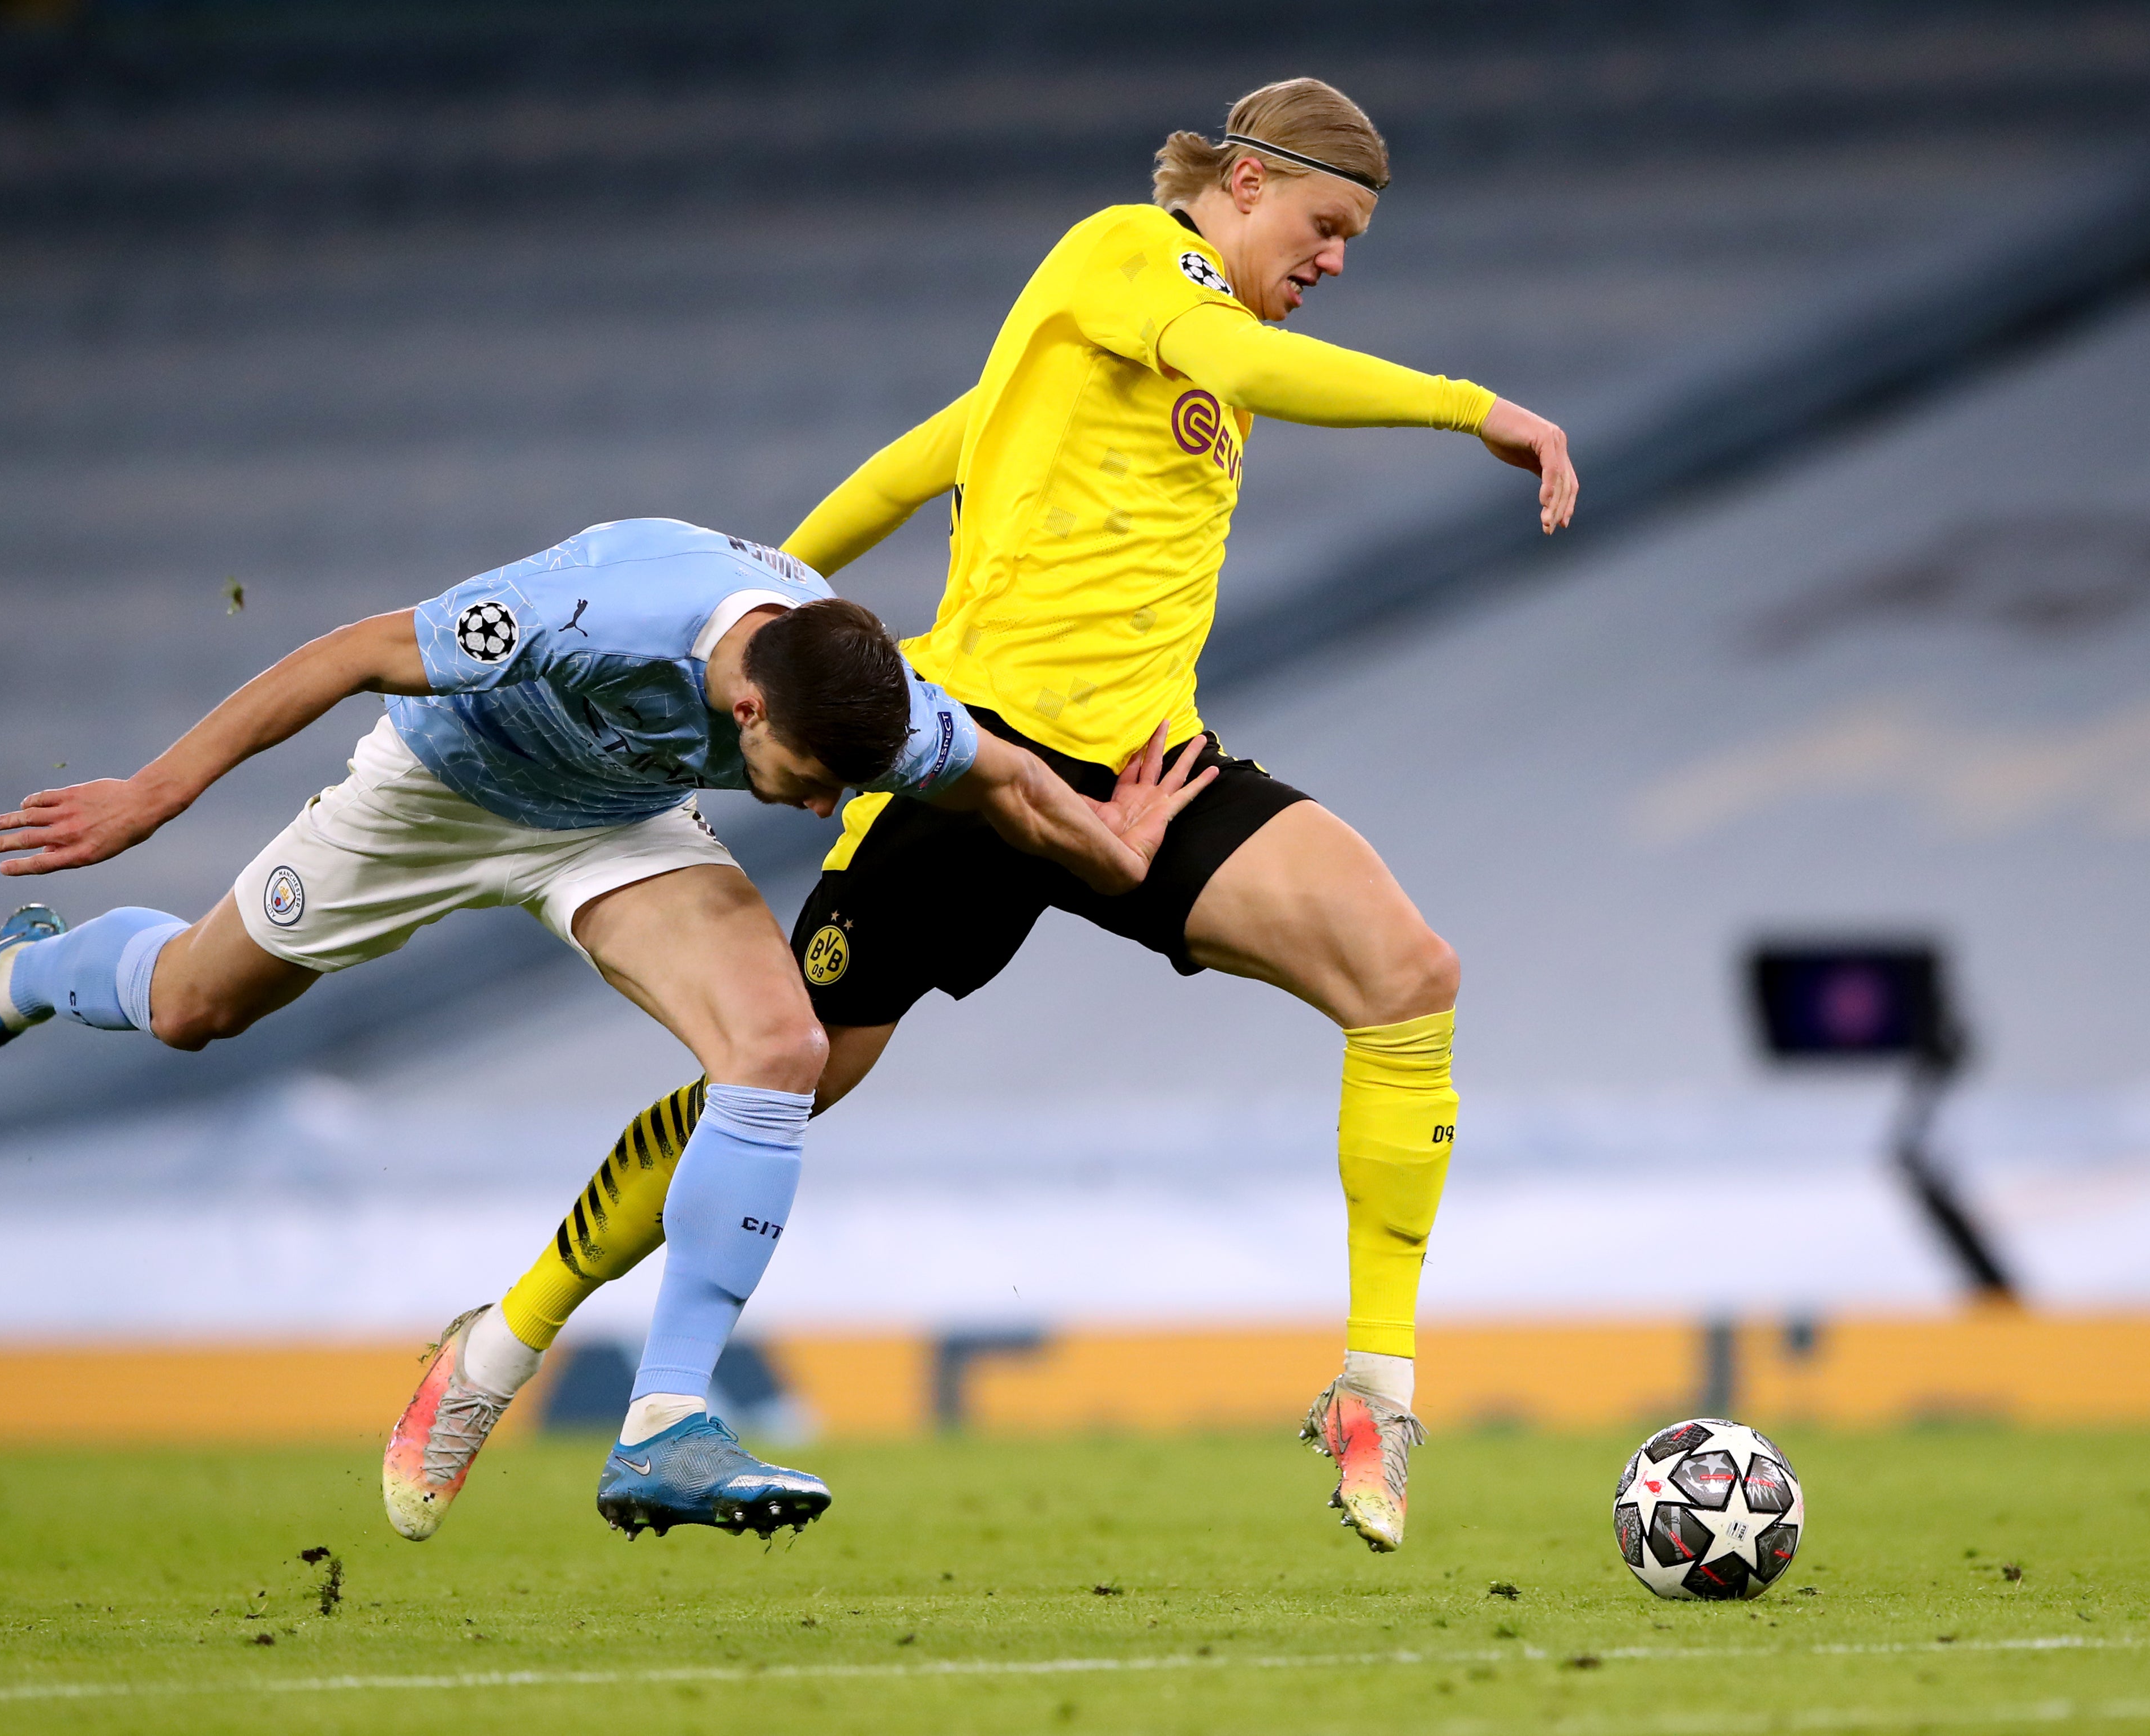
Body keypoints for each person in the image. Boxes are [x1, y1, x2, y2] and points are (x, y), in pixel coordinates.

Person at [441, 76, 1579, 1553]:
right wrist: (1479, 412)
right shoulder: (1127, 259)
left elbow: (926, 460)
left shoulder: (1139, 362)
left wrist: (772, 578)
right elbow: (1015, 428)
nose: (1337, 258)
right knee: (785, 1076)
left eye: (1354, 237)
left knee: (1407, 974)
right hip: (963, 763)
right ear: (1241, 184)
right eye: (1325, 224)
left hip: (1142, 781)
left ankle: (1374, 1389)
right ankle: (497, 1346)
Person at [0, 516, 1210, 1543]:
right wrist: (152, 794)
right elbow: (350, 652)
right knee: (190, 1006)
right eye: (809, 785)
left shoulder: (867, 696)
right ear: (748, 708)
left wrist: (1126, 860)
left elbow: (1013, 786)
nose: (821, 812)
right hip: (439, 790)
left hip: (612, 823)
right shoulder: (594, 617)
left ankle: (670, 1418)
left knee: (781, 1052)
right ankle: (32, 974)